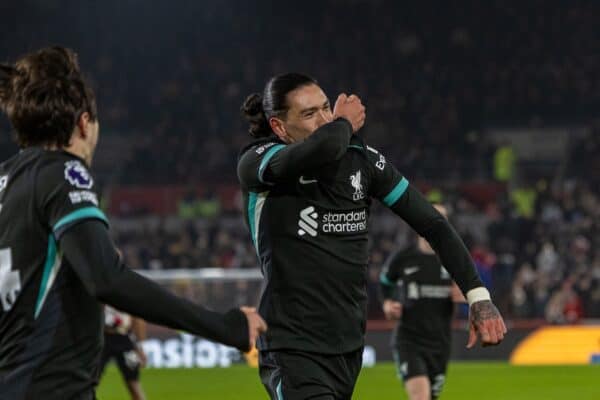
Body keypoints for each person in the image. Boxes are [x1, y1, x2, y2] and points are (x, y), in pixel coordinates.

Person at [0, 46, 266, 400]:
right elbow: (108, 279)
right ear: (84, 122)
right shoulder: (63, 173)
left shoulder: (6, 181)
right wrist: (225, 326)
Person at [237, 73, 506, 400]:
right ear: (279, 127)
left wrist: (479, 297)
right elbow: (326, 144)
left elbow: (433, 224)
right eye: (309, 114)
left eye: (326, 108)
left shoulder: (361, 161)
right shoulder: (260, 162)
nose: (323, 120)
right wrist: (344, 123)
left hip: (348, 344)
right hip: (291, 345)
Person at [380, 204, 466, 400]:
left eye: (442, 218)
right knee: (420, 396)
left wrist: (464, 295)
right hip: (409, 339)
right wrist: (387, 303)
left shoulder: (455, 258)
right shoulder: (402, 258)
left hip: (440, 343)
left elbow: (471, 290)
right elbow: (385, 283)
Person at [99, 305, 148, 400]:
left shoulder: (127, 296)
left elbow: (138, 320)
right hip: (103, 339)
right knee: (92, 380)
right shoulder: (101, 293)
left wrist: (141, 348)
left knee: (133, 382)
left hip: (125, 340)